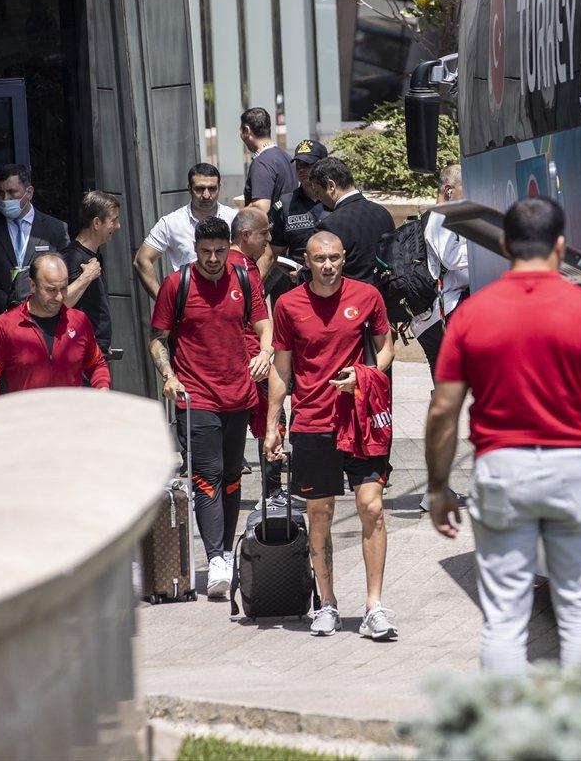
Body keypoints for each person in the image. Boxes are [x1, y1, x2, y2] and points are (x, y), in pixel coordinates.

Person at [425, 197, 581, 675]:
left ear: (505, 245)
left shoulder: (472, 315)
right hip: (576, 469)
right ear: (560, 246)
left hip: (502, 470)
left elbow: (443, 410)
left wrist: (439, 487)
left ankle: (507, 719)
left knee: (504, 619)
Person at [263, 231, 397, 639]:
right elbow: (281, 369)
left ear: (343, 259)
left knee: (372, 508)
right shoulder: (288, 304)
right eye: (320, 258)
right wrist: (272, 426)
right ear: (307, 261)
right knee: (319, 515)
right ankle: (327, 603)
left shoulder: (367, 296)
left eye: (335, 258)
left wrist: (364, 374)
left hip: (360, 420)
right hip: (312, 423)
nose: (328, 265)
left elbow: (386, 347)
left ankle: (374, 606)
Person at [149, 216, 273, 598]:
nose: (214, 259)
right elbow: (158, 338)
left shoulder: (243, 279)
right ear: (195, 249)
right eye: (206, 252)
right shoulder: (177, 284)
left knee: (232, 477)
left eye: (220, 251)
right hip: (197, 396)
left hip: (238, 393)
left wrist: (265, 352)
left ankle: (227, 553)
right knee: (208, 475)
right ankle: (216, 556)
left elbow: (263, 324)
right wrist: (168, 375)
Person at [0, 164, 70, 395]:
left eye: (12, 193)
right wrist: (10, 307)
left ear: (28, 192)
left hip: (46, 330)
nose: (5, 199)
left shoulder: (55, 229)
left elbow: (65, 275)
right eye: (0, 193)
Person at [0, 254, 110, 397]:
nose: (59, 297)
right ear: (33, 285)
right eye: (51, 290)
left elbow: (96, 364)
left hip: (71, 410)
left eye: (63, 288)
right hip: (25, 411)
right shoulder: (5, 325)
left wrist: (102, 388)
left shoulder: (79, 321)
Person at [228, 207, 284, 501]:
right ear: (245, 235)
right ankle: (273, 493)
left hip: (240, 361)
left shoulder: (230, 265)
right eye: (264, 233)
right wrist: (263, 353)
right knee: (272, 421)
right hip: (252, 362)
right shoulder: (242, 268)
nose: (269, 239)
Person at [133, 163, 238, 301]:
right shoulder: (171, 223)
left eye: (212, 189)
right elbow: (141, 260)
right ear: (189, 188)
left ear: (219, 187)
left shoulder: (235, 219)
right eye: (200, 189)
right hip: (189, 302)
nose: (206, 195)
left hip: (230, 300)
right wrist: (164, 302)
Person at [411, 163, 470, 379]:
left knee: (445, 380)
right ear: (448, 190)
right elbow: (451, 258)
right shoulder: (440, 215)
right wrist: (483, 244)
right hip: (444, 310)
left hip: (436, 315)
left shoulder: (443, 215)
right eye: (467, 187)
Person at [312, 157, 394, 285]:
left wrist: (300, 273)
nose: (317, 198)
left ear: (331, 186)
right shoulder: (383, 213)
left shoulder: (330, 225)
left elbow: (319, 272)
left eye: (317, 192)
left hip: (352, 295)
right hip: (385, 293)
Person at [62, 190, 122, 356]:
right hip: (79, 352)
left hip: (97, 351)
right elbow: (60, 303)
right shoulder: (72, 257)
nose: (118, 226)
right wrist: (86, 277)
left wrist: (103, 340)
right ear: (96, 223)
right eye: (113, 220)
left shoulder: (96, 255)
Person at [270, 139, 328, 270]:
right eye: (298, 164)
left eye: (307, 164)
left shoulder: (336, 201)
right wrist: (295, 275)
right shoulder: (285, 204)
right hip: (299, 279)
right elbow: (276, 253)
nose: (301, 169)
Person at [240, 107, 297, 214]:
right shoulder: (285, 156)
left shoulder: (261, 163)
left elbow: (261, 207)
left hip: (272, 224)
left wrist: (240, 214)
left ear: (247, 130)